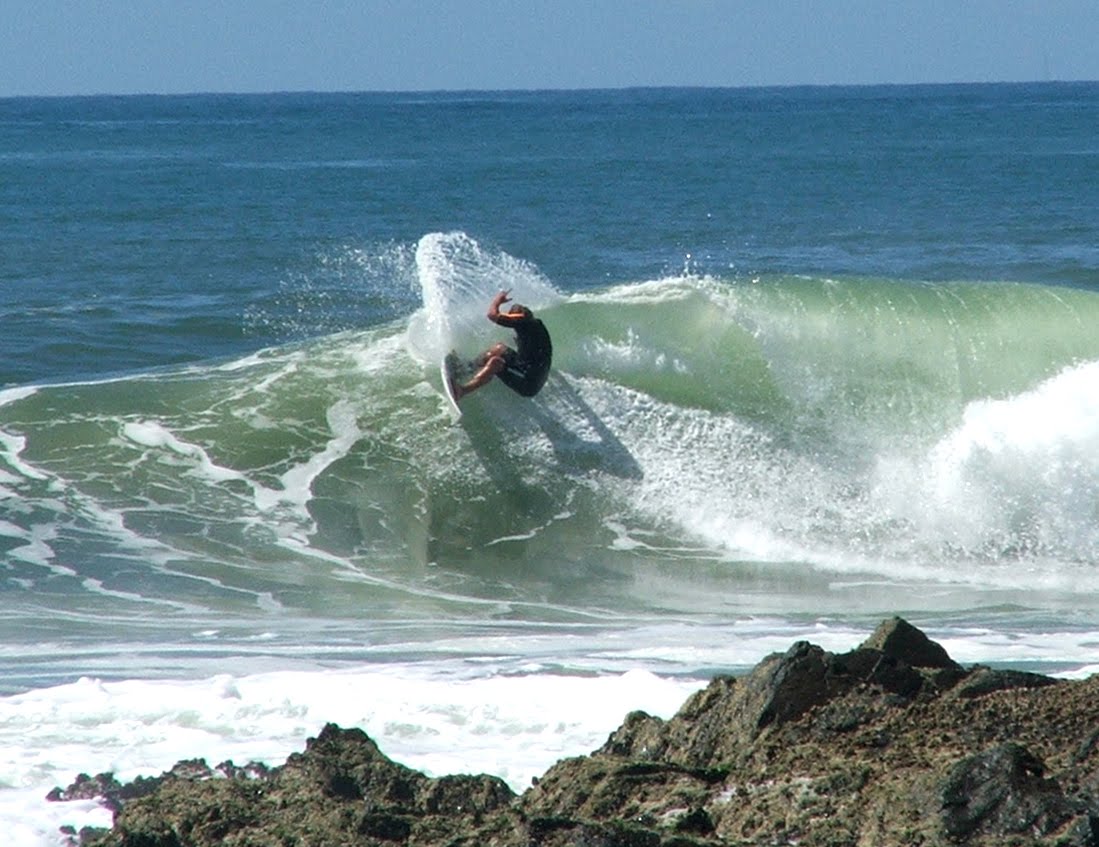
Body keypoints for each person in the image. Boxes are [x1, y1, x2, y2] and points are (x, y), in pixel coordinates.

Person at [454, 289, 552, 401]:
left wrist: (497, 301)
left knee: (496, 362)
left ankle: (463, 390)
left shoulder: (523, 322)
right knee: (499, 348)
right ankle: (467, 368)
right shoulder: (532, 325)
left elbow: (492, 315)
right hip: (525, 367)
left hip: (528, 382)